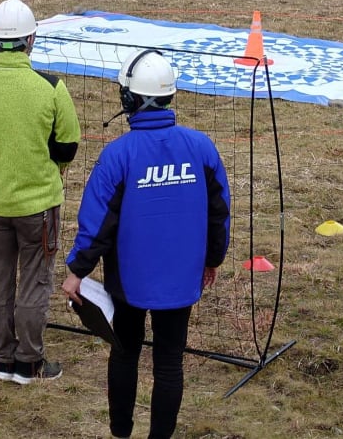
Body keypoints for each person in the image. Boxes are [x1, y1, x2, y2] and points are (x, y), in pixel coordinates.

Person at [62, 49, 230, 439]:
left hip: (129, 283)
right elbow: (219, 213)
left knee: (124, 353)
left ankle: (121, 432)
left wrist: (77, 271)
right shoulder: (202, 148)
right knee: (169, 362)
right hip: (182, 277)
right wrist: (213, 259)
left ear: (128, 99)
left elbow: (97, 224)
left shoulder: (118, 155)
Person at [0, 0, 81, 385]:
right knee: (34, 281)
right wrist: (49, 169)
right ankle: (29, 362)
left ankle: (3, 358)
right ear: (31, 39)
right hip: (40, 206)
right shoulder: (51, 87)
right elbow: (68, 146)